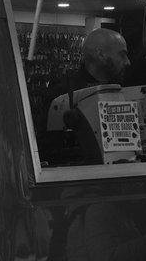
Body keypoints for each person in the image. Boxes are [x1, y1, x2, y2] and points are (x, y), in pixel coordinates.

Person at [44, 27, 135, 163]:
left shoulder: (123, 88)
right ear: (101, 54)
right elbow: (49, 147)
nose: (128, 61)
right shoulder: (64, 94)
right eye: (122, 54)